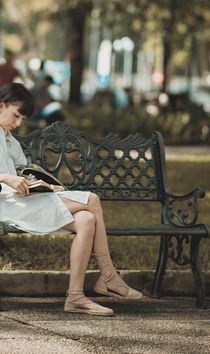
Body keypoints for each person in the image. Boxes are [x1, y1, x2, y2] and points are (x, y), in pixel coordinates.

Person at [0, 82, 142, 316]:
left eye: (22, 119)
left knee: (86, 219)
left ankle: (75, 297)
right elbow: (9, 177)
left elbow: (25, 170)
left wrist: (42, 184)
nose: (18, 123)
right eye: (16, 115)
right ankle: (109, 276)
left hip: (21, 202)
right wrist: (7, 178)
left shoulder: (9, 139)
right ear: (1, 105)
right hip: (6, 205)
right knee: (92, 200)